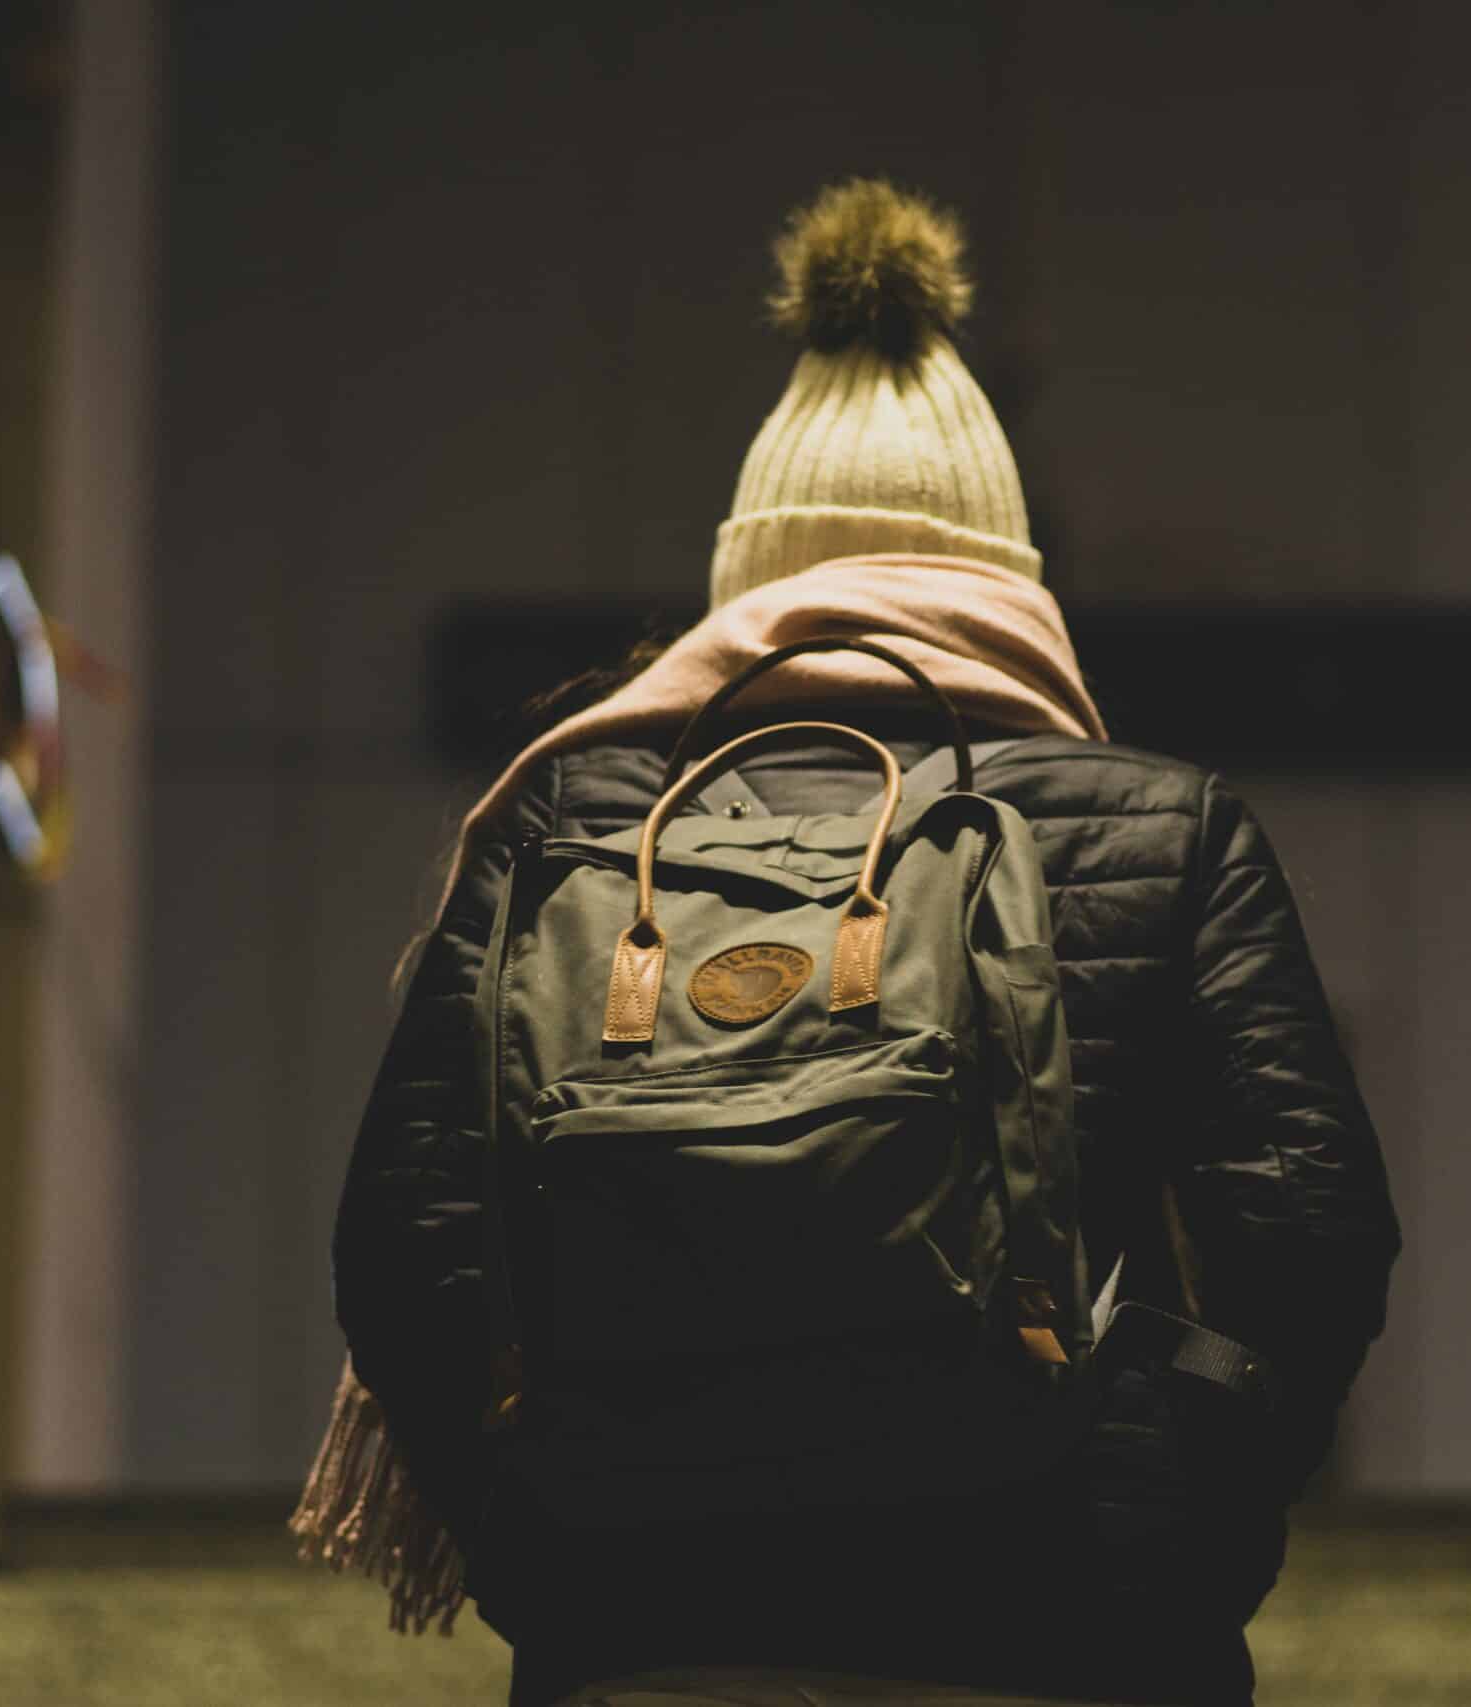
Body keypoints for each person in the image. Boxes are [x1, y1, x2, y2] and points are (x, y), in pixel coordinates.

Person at [316, 179, 1401, 1706]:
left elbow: (407, 1239)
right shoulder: (1162, 824)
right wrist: (1167, 1522)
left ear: (750, 580)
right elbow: (1308, 1231)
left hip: (648, 1625)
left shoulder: (578, 821)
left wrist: (544, 1543)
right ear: (1006, 574)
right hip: (1064, 1625)